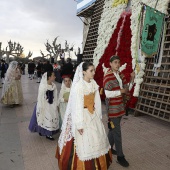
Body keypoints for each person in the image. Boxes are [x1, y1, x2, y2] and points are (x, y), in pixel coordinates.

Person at [56, 62, 112, 169]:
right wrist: (79, 124)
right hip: (82, 115)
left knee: (97, 139)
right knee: (82, 143)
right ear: (83, 72)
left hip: (93, 115)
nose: (93, 72)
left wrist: (98, 116)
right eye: (91, 70)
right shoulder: (78, 86)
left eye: (94, 70)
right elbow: (77, 106)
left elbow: (97, 102)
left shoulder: (94, 83)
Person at [103, 55, 135, 167]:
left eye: (118, 62)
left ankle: (107, 148)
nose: (117, 64)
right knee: (117, 133)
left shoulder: (120, 75)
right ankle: (120, 157)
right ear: (110, 64)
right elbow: (106, 93)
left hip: (120, 107)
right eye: (115, 62)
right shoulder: (108, 76)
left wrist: (132, 79)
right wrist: (119, 91)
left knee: (113, 130)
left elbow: (126, 88)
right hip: (113, 108)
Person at [28, 71, 59, 140]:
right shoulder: (43, 86)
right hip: (44, 105)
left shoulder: (54, 85)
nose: (55, 77)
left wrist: (56, 104)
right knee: (44, 118)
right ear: (49, 77)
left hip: (52, 104)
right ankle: (46, 133)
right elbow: (40, 97)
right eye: (53, 75)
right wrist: (42, 106)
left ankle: (47, 132)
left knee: (51, 118)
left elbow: (55, 96)